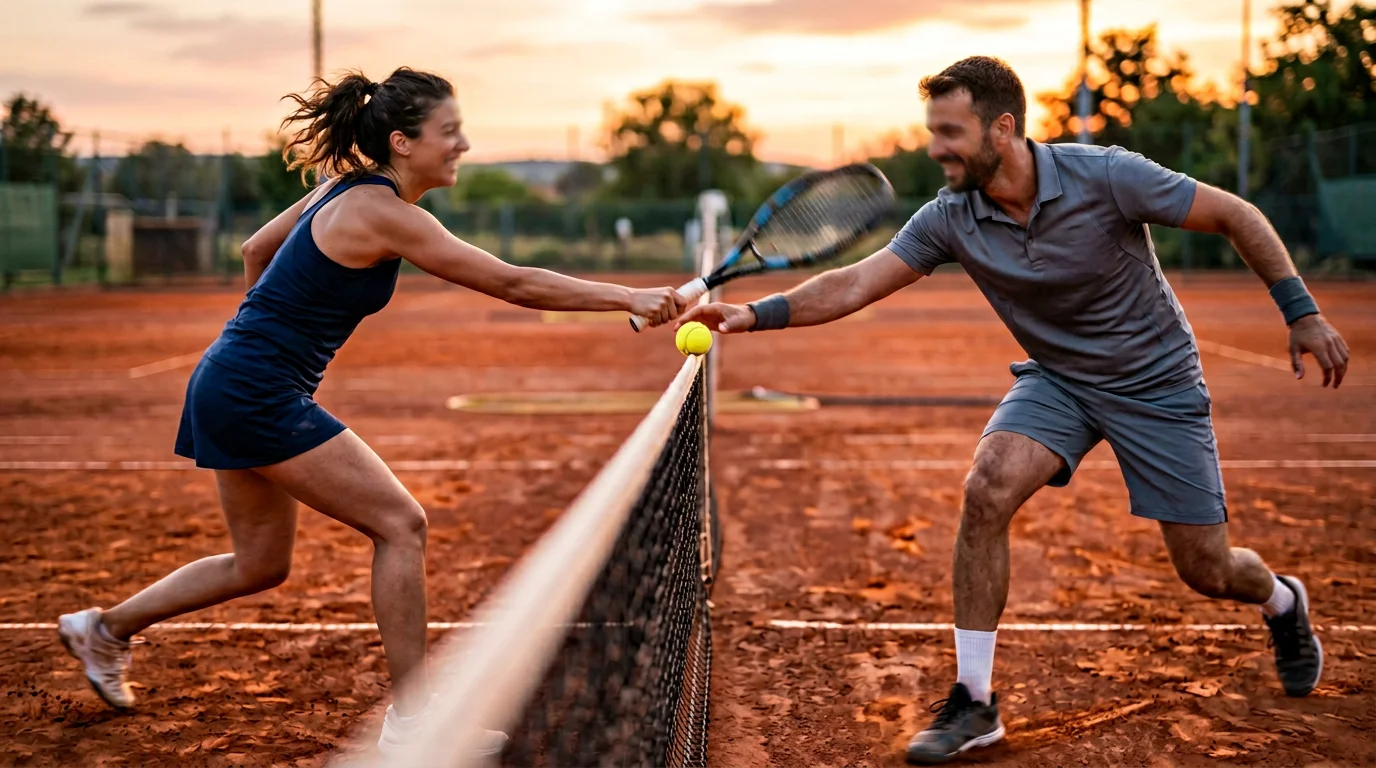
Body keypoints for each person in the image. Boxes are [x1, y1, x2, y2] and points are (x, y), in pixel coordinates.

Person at [676, 56, 1349, 765]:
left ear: (1004, 127)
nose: (936, 148)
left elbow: (1234, 213)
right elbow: (856, 282)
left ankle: (1280, 600)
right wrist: (754, 315)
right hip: (1059, 379)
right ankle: (975, 701)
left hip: (1156, 383)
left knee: (1207, 570)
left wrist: (1300, 311)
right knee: (987, 485)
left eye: (950, 132)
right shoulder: (949, 216)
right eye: (932, 131)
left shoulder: (1110, 174)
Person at [56, 67, 688, 756]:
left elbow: (255, 250)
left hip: (238, 379)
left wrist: (268, 336)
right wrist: (626, 296)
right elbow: (511, 281)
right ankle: (414, 721)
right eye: (449, 132)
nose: (463, 144)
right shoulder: (384, 213)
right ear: (402, 141)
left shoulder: (342, 189)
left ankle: (104, 629)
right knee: (401, 524)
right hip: (254, 389)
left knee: (259, 563)